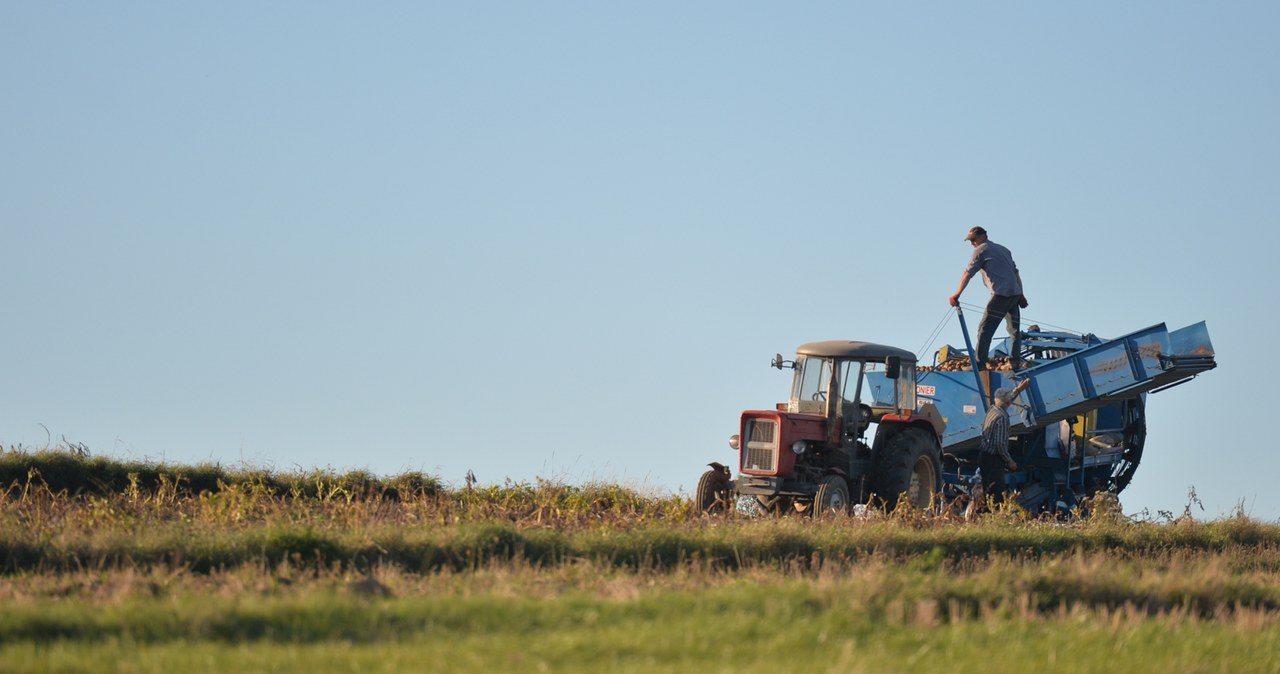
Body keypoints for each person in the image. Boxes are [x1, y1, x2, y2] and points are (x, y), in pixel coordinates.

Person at [948, 226, 1027, 371]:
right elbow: (1016, 274)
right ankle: (1015, 362)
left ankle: (979, 364)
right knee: (1014, 331)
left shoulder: (981, 250)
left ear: (984, 236)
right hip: (1014, 294)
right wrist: (1021, 294)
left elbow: (968, 273)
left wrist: (957, 294)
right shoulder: (1004, 250)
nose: (972, 243)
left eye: (973, 239)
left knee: (984, 329)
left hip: (1001, 294)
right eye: (970, 241)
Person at [979, 386, 1019, 504]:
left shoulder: (992, 410)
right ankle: (996, 518)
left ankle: (984, 517)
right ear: (1008, 402)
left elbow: (1006, 398)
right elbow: (1000, 443)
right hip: (993, 460)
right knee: (998, 494)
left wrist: (1017, 390)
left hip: (983, 456)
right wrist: (1009, 461)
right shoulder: (1002, 418)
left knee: (986, 491)